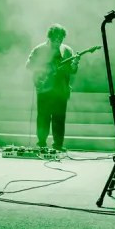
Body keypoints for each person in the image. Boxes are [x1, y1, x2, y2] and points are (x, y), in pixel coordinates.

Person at [26, 24, 78, 152]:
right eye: (55, 38)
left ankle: (58, 145)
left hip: (61, 90)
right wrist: (45, 69)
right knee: (43, 117)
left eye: (61, 39)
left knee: (59, 118)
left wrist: (75, 62)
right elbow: (29, 65)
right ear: (49, 37)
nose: (58, 41)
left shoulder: (67, 50)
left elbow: (72, 70)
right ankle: (41, 143)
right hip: (44, 89)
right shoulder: (39, 50)